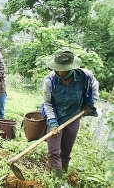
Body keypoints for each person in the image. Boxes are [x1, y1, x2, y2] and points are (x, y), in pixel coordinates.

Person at [42, 47, 99, 179]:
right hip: (55, 116)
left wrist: (89, 105)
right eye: (58, 69)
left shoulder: (85, 77)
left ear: (72, 66)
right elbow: (48, 103)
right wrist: (53, 123)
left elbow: (94, 90)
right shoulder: (50, 81)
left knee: (66, 151)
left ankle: (64, 172)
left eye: (64, 69)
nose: (61, 73)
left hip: (74, 117)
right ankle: (57, 180)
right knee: (53, 151)